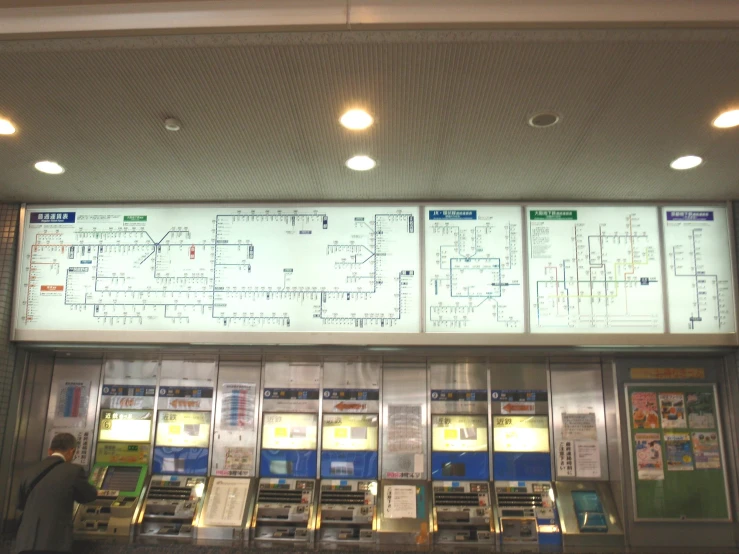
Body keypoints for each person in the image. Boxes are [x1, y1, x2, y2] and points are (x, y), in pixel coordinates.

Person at [15, 433, 98, 554]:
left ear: (49, 451)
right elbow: (89, 496)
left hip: (25, 542)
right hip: (54, 542)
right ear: (71, 451)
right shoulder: (73, 471)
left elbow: (20, 505)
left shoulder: (29, 471)